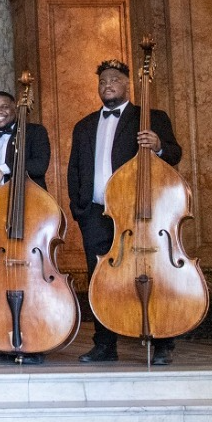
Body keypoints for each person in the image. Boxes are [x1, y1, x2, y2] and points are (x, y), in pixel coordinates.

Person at [68, 59, 183, 366]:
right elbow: (75, 170)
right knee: (100, 279)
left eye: (115, 80)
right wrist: (79, 209)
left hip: (138, 214)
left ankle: (161, 342)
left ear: (127, 85)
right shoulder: (84, 125)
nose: (108, 85)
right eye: (103, 81)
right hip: (95, 214)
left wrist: (158, 145)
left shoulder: (150, 117)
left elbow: (174, 154)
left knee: (150, 272)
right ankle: (105, 345)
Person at [0, 90, 52, 202]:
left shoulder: (35, 132)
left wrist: (4, 168)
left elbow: (39, 166)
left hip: (33, 206)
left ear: (15, 109)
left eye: (4, 106)